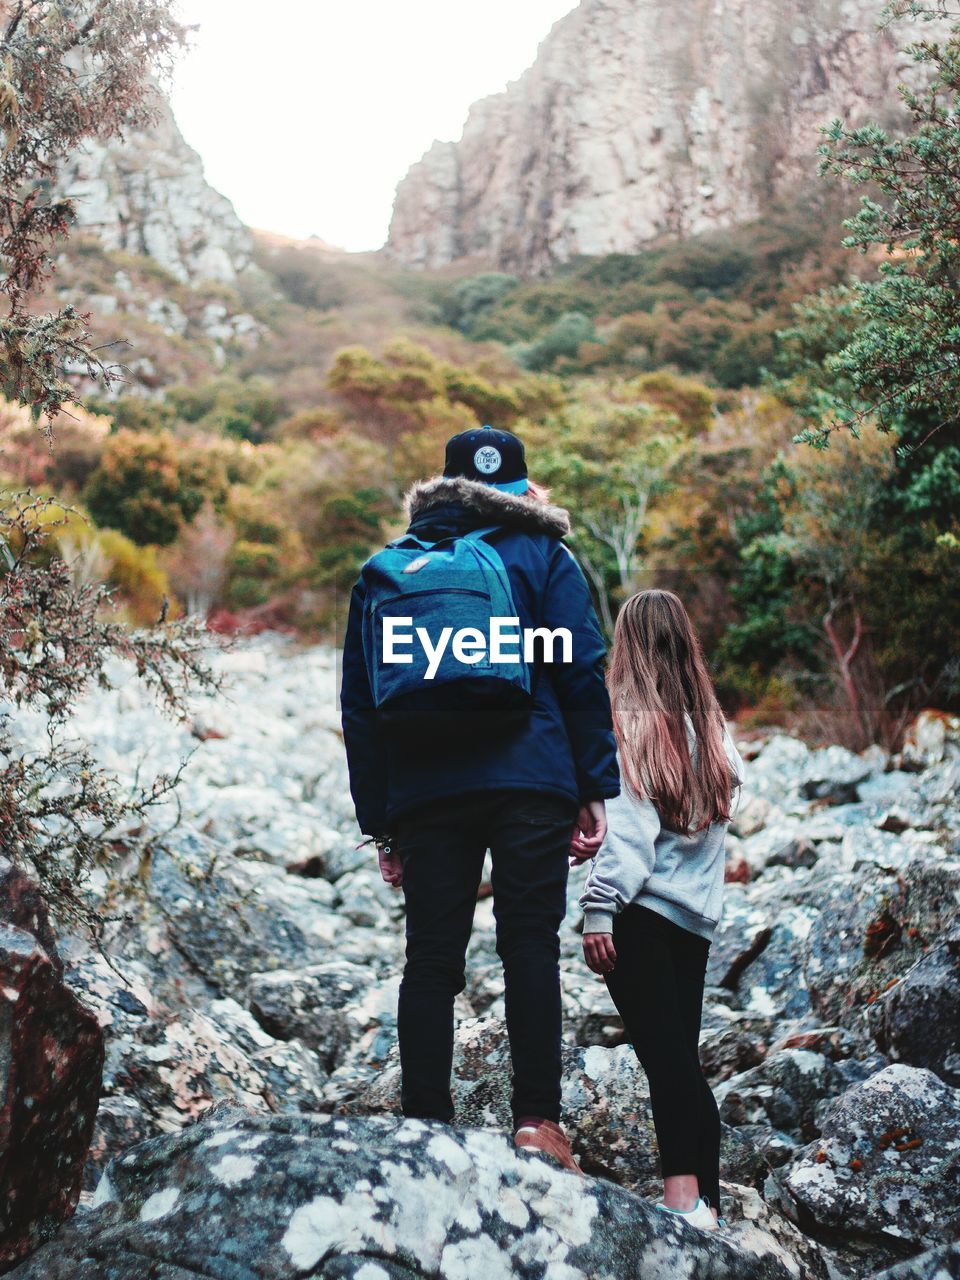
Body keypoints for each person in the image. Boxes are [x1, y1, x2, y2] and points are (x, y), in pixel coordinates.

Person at [340, 424, 620, 1173]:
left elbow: (361, 706)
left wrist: (381, 823)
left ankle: (425, 1125)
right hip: (533, 777)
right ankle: (537, 1124)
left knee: (431, 959)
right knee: (529, 944)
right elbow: (581, 669)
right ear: (524, 490)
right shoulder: (544, 554)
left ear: (444, 487)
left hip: (427, 788)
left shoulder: (392, 568)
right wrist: (595, 784)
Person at [579, 589, 745, 1230]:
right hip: (694, 923)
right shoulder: (711, 727)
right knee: (682, 1056)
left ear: (628, 645)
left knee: (665, 1059)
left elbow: (628, 836)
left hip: (640, 916)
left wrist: (598, 909)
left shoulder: (629, 724)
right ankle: (709, 1198)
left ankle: (683, 1202)